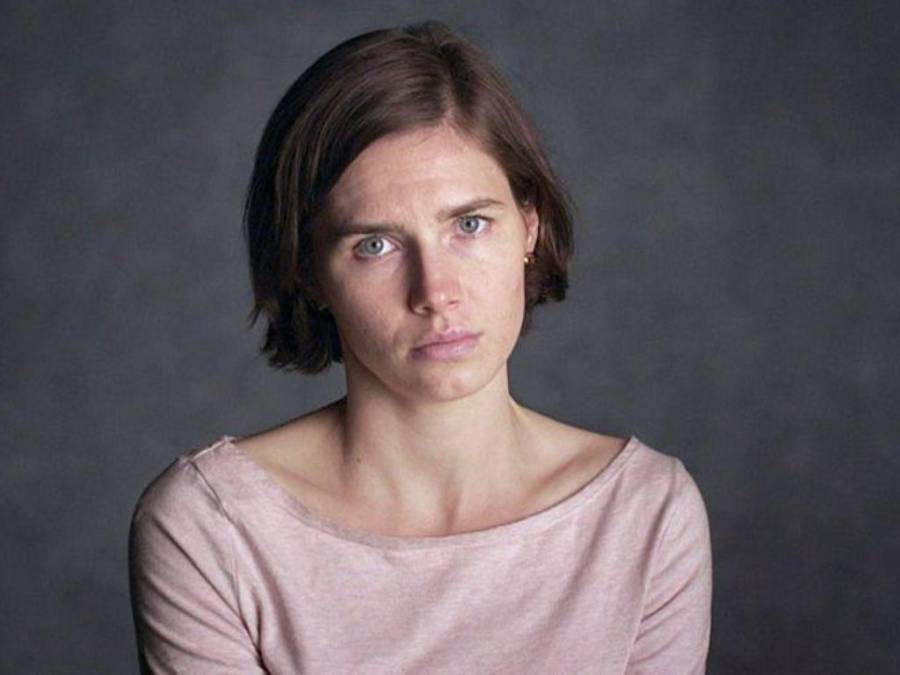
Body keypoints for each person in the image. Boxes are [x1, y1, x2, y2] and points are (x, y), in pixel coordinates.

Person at [128, 20, 713, 674]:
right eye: (375, 245)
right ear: (307, 272)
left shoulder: (645, 514)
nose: (435, 292)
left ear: (529, 226)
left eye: (470, 224)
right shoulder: (213, 528)